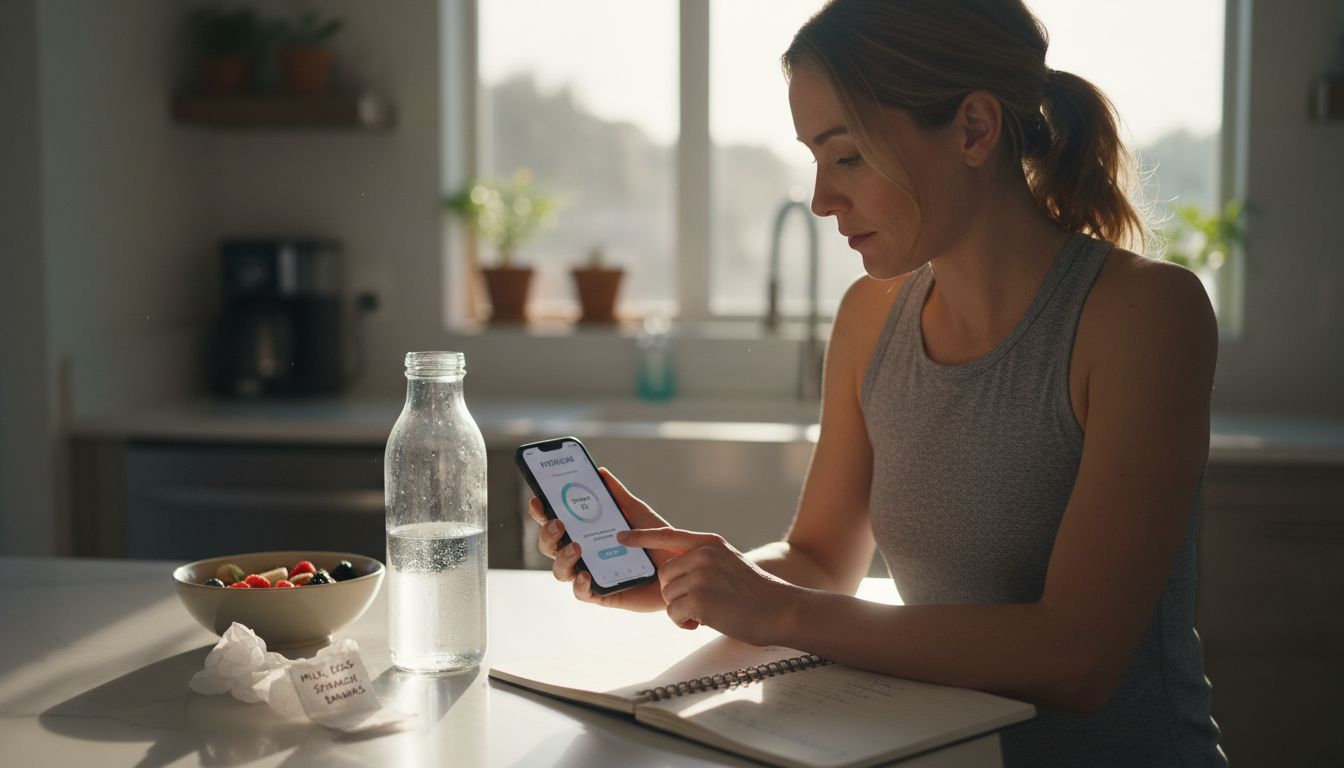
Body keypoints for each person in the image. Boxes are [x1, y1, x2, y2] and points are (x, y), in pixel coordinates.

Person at [528, 1, 1226, 765]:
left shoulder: (1144, 314)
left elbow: (1077, 657)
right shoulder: (872, 315)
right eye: (815, 158)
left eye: (847, 156)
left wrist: (780, 612)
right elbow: (822, 562)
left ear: (974, 129)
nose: (824, 198)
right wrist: (691, 577)